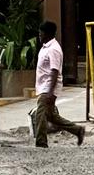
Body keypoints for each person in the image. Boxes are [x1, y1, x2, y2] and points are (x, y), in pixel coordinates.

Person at [32, 20, 84, 148]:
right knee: (51, 116)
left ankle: (41, 142)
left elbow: (54, 71)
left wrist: (50, 91)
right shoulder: (45, 47)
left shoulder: (53, 49)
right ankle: (77, 130)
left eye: (41, 33)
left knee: (40, 114)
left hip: (48, 87)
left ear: (47, 34)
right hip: (44, 86)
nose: (39, 36)